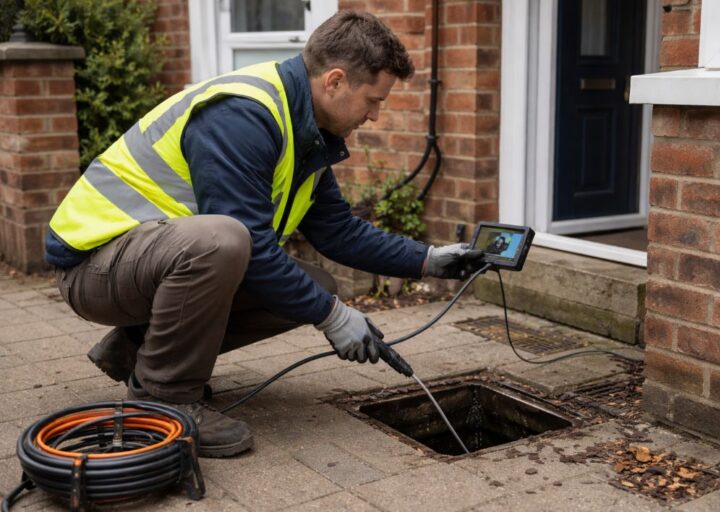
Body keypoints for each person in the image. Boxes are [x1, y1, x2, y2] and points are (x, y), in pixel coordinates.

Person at [45, 10, 484, 458]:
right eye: (374, 101)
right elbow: (248, 245)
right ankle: (165, 400)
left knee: (316, 286)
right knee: (225, 241)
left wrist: (428, 259)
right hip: (93, 265)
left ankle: (136, 351)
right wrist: (333, 317)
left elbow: (338, 231)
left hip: (147, 266)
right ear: (334, 81)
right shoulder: (243, 115)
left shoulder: (304, 130)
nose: (374, 116)